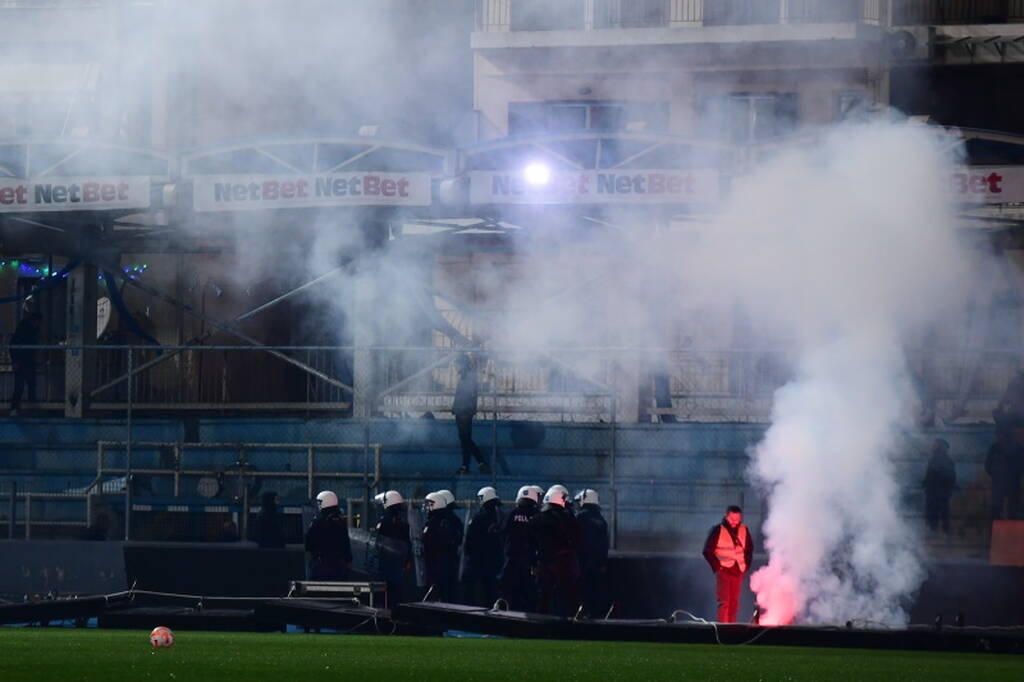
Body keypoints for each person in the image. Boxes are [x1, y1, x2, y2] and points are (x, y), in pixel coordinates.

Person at [529, 484, 582, 617]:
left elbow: (530, 543)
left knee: (543, 597)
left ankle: (539, 624)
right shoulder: (570, 518)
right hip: (566, 564)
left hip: (545, 562)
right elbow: (578, 540)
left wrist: (534, 563)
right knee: (568, 598)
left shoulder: (537, 519)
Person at [702, 505, 754, 623]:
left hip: (738, 570)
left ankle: (731, 628)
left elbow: (749, 549)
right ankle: (723, 629)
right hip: (724, 570)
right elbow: (707, 551)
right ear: (726, 516)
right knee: (724, 602)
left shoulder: (744, 529)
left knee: (734, 603)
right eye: (732, 519)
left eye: (737, 519)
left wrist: (746, 566)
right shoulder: (718, 530)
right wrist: (717, 567)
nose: (735, 522)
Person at [498, 485, 541, 611]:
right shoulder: (538, 516)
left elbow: (502, 531)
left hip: (512, 558)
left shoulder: (512, 513)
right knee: (528, 593)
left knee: (508, 590)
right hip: (530, 560)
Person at [462, 486, 504, 607]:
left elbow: (470, 539)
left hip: (478, 558)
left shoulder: (479, 517)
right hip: (494, 558)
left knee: (469, 585)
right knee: (490, 589)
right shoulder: (500, 515)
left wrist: (468, 552)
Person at [422, 491, 463, 601]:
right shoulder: (451, 521)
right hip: (449, 564)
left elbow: (427, 544)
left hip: (435, 565)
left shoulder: (432, 523)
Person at [574, 488, 609, 618]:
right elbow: (605, 543)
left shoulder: (579, 517)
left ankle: (581, 612)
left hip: (581, 560)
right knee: (594, 589)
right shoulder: (601, 519)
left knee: (581, 589)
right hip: (597, 562)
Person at [452, 353, 489, 475]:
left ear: (462, 364)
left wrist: (461, 409)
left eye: (457, 364)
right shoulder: (465, 376)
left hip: (464, 412)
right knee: (465, 439)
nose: (455, 367)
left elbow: (467, 396)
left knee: (465, 439)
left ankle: (478, 463)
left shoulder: (468, 377)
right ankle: (469, 465)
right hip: (462, 411)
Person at [373, 489, 412, 605]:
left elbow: (378, 543)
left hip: (385, 564)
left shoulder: (384, 521)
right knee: (396, 593)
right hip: (398, 565)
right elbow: (407, 543)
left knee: (383, 594)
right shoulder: (403, 523)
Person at [304, 490, 353, 580]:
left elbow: (308, 542)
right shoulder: (341, 521)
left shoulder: (318, 521)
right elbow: (346, 544)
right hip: (339, 566)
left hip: (321, 566)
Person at [985, 427, 1022, 520]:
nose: (999, 437)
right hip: (1000, 483)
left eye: (1001, 434)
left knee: (1013, 508)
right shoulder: (995, 448)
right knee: (996, 508)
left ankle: (1011, 528)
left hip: (1012, 483)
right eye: (998, 435)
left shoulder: (1017, 448)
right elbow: (988, 465)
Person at [9, 311, 41, 415]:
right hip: (22, 360)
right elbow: (13, 345)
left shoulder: (30, 330)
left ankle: (30, 406)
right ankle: (15, 407)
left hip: (27, 360)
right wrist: (15, 361)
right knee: (20, 384)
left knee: (30, 383)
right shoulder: (24, 330)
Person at [923, 439, 956, 534]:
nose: (933, 447)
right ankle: (939, 529)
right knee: (940, 511)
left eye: (935, 445)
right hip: (937, 492)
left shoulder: (943, 460)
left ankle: (938, 529)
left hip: (938, 492)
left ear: (941, 447)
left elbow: (949, 477)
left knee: (938, 511)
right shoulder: (940, 459)